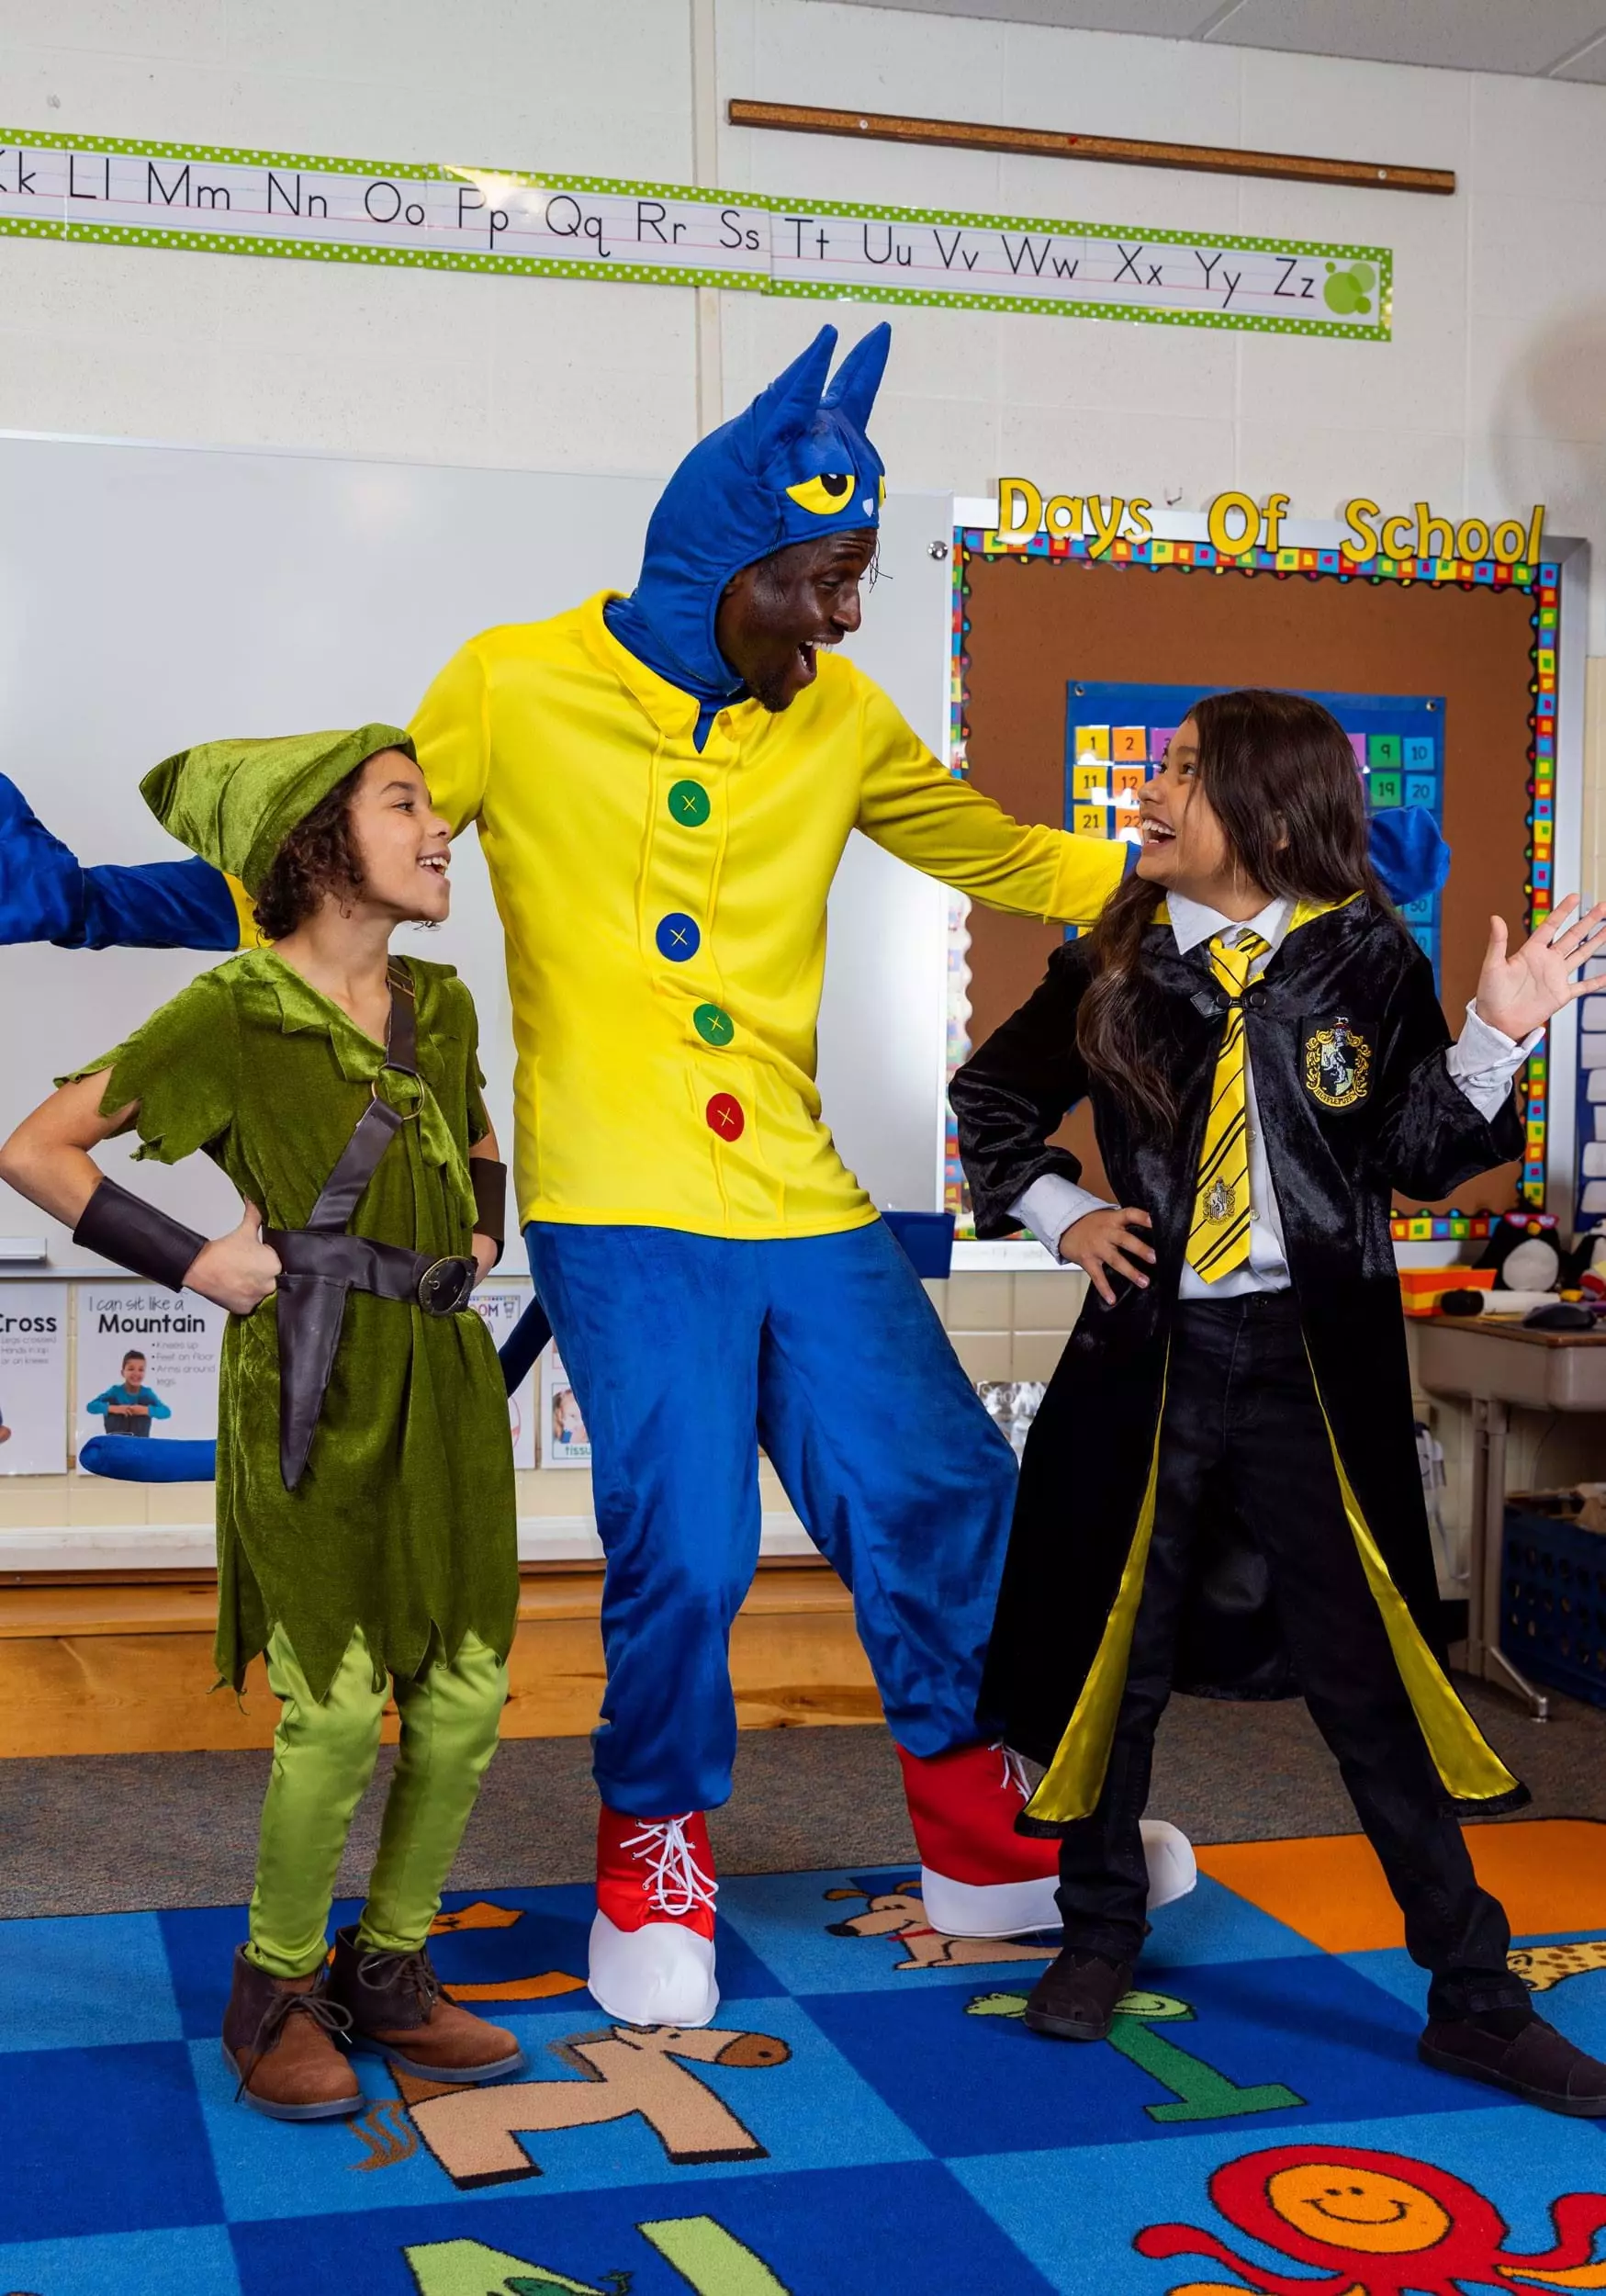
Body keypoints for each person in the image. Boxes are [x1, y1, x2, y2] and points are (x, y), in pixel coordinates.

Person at [0, 332, 1436, 2029]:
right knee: (683, 1541)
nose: (845, 618)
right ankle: (653, 1852)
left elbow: (997, 851)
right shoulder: (515, 684)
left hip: (804, 1199)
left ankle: (981, 1838)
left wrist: (1273, 877)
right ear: (724, 563)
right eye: (822, 581)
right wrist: (83, 901)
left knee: (940, 1490)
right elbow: (329, 860)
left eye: (859, 577)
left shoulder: (840, 718)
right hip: (619, 1197)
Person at [949, 688, 1606, 2115]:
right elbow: (990, 1099)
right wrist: (1064, 1212)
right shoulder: (1114, 962)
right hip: (1148, 1364)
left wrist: (1494, 1035)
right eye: (1159, 763)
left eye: (1185, 770)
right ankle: (1098, 1931)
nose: (1150, 789)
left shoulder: (1364, 957)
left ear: (1266, 804)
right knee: (1111, 1663)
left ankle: (1474, 1998)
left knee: (1371, 1680)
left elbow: (1417, 1156)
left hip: (1313, 1370)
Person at [0, 727, 524, 2119]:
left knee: (466, 1693)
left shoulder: (443, 1004)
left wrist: (479, 1235)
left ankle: (391, 1969)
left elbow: (478, 1141)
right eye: (404, 805)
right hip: (309, 1385)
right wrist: (195, 1262)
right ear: (315, 846)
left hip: (444, 1382)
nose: (441, 830)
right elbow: (36, 1149)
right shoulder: (234, 1008)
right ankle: (275, 1987)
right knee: (338, 1706)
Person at [85, 1347, 171, 1435]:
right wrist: (116, 1409)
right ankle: (115, 1437)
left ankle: (138, 1440)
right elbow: (91, 1407)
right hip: (117, 1437)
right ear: (123, 1373)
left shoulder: (147, 1393)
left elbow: (166, 1412)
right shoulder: (115, 1391)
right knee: (112, 1401)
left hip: (139, 1439)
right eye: (131, 1369)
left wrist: (144, 1410)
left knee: (145, 1401)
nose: (136, 1373)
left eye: (141, 1370)